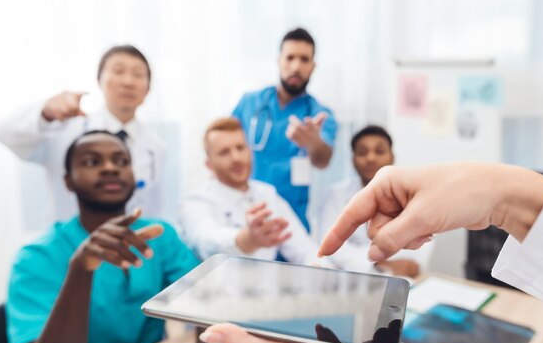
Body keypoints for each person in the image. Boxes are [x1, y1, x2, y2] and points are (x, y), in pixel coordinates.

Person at [199, 162, 543, 343]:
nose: (237, 159)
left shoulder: (268, 195)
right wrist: (500, 195)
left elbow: (308, 250)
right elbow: (321, 252)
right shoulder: (205, 202)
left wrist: (501, 196)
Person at [5, 131, 214, 343]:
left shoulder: (158, 235)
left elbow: (212, 298)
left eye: (121, 160)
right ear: (67, 180)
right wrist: (81, 270)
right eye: (92, 162)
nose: (110, 167)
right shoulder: (36, 258)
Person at [0, 45, 167, 222]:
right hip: (72, 245)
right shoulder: (64, 130)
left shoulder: (156, 147)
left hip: (130, 245)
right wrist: (45, 112)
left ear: (148, 89)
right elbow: (5, 133)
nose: (128, 82)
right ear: (99, 80)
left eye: (138, 75)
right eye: (118, 71)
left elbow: (153, 208)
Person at [232, 28, 338, 231]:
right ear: (279, 61)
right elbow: (225, 145)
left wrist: (313, 142)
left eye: (304, 59)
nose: (296, 66)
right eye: (290, 57)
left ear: (313, 66)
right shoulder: (249, 103)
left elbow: (322, 159)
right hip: (245, 213)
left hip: (291, 220)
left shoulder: (320, 115)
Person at [180, 118, 325, 266]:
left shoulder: (267, 193)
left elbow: (302, 247)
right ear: (209, 164)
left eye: (240, 148)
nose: (236, 158)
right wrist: (247, 239)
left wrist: (321, 267)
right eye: (224, 152)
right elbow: (204, 241)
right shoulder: (197, 200)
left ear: (250, 152)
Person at [319, 125, 431, 277]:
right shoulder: (335, 196)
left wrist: (393, 265)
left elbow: (414, 259)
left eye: (379, 151)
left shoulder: (413, 195)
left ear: (392, 157)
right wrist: (379, 264)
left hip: (401, 279)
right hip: (350, 277)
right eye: (362, 152)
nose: (370, 158)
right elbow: (331, 246)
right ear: (353, 160)